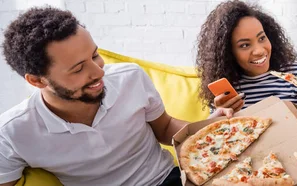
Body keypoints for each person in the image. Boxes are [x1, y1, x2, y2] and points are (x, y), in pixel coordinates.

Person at [0, 7, 233, 186]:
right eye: (79, 68)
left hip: (167, 179)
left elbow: (165, 128)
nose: (99, 72)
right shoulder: (12, 133)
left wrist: (211, 128)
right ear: (37, 81)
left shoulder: (129, 77)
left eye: (95, 55)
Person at [196, 0, 297, 148]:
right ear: (227, 52)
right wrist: (218, 118)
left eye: (262, 38)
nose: (259, 50)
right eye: (245, 45)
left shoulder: (296, 74)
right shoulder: (226, 89)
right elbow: (212, 148)